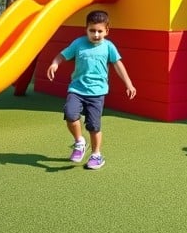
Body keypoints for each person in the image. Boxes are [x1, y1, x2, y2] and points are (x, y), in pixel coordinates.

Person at [46, 10, 136, 170]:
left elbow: (118, 65)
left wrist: (128, 84)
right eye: (92, 30)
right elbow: (61, 55)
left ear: (107, 31)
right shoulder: (78, 44)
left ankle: (96, 154)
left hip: (97, 93)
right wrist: (55, 63)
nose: (95, 34)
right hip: (77, 89)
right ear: (86, 29)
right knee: (70, 114)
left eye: (99, 31)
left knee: (94, 126)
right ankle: (80, 142)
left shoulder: (109, 47)